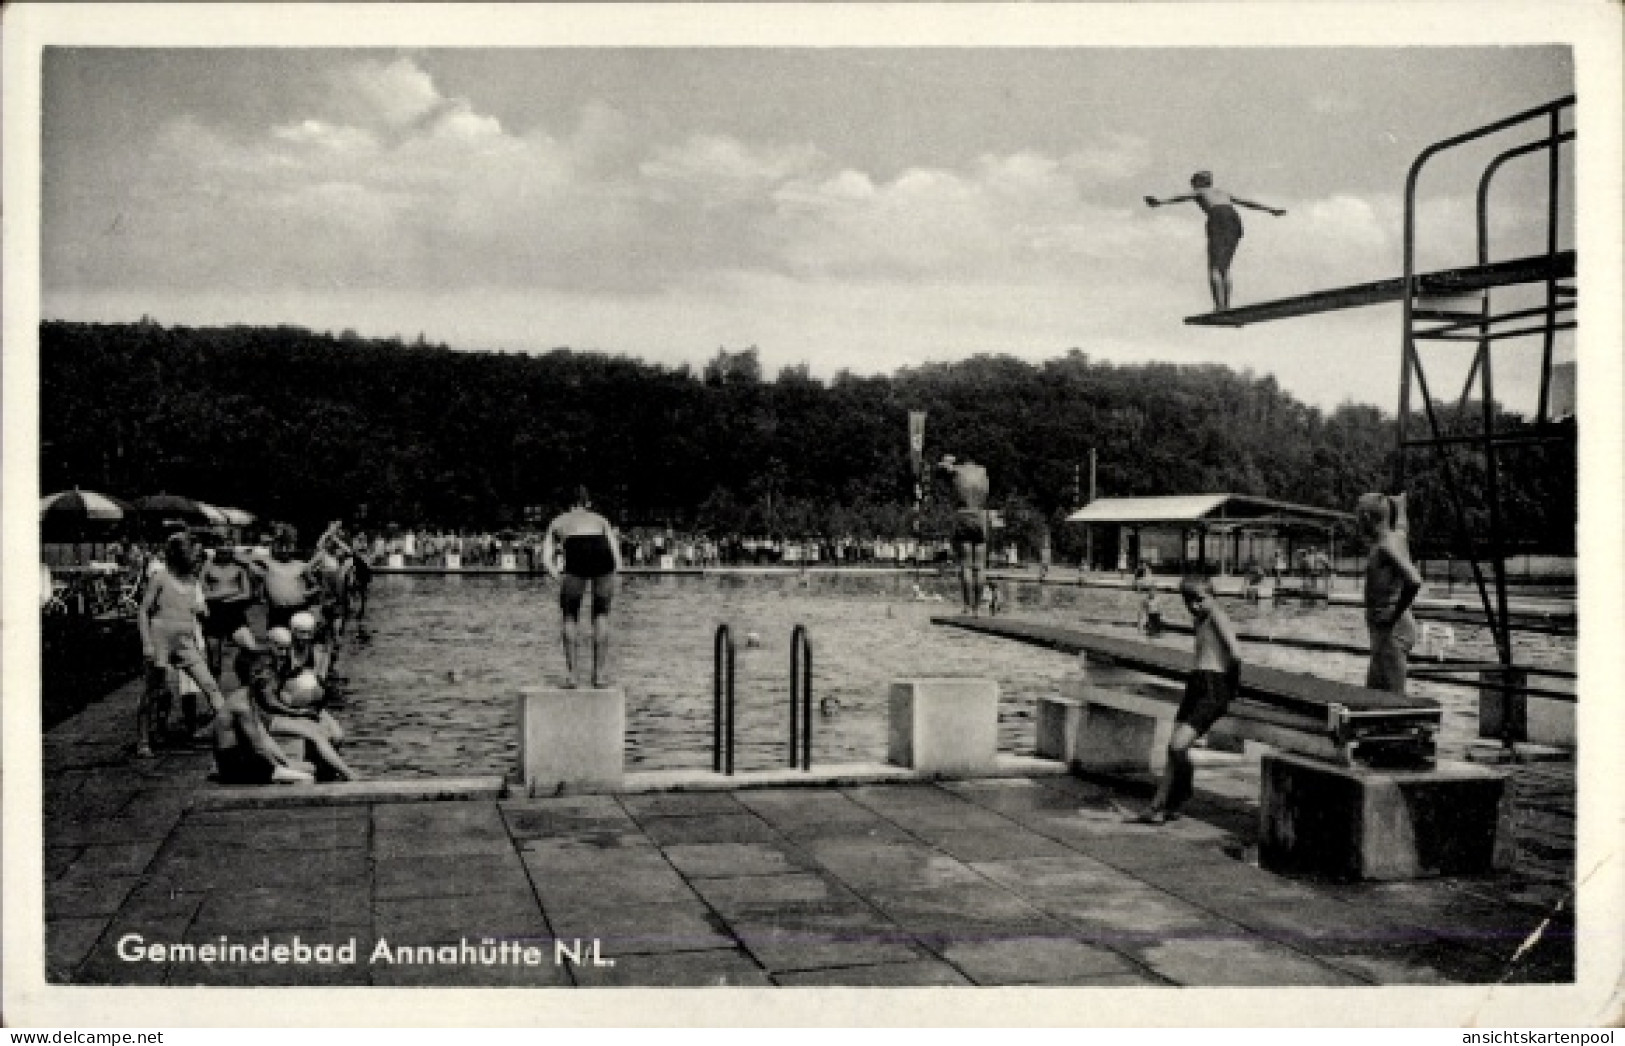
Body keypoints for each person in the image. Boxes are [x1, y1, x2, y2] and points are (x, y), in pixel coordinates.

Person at [1137, 576, 1243, 825]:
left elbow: (1236, 653)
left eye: (1199, 600)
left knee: (1177, 746)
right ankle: (1159, 806)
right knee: (1172, 750)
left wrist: (1232, 687)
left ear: (1212, 595)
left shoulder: (1217, 614)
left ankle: (1182, 791)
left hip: (1213, 688)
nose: (1194, 606)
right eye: (1188, 601)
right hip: (1196, 683)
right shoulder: (1200, 618)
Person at [136, 532, 228, 758]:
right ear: (178, 554)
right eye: (194, 554)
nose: (198, 559)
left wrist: (201, 612)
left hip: (185, 642)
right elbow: (143, 610)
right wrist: (147, 643)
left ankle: (231, 734)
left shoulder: (192, 580)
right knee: (153, 691)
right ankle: (143, 740)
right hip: (161, 640)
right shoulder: (160, 577)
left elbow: (197, 608)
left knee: (211, 686)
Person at [1146, 171, 1286, 311]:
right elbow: (1247, 202)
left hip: (1218, 218)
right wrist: (1271, 210)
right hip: (1234, 220)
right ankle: (1227, 305)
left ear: (1199, 182)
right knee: (1224, 267)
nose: (1193, 187)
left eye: (1193, 183)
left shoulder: (1200, 191)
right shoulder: (1223, 192)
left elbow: (1181, 197)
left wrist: (1161, 201)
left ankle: (1220, 306)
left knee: (1214, 267)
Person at [541, 487, 624, 688]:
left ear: (568, 505)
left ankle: (572, 676)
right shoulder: (601, 519)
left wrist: (558, 577)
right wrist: (611, 576)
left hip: (575, 550)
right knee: (601, 615)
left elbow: (545, 559)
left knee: (570, 616)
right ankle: (599, 676)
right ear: (587, 503)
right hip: (601, 549)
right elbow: (617, 558)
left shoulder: (558, 521)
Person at [213, 650, 314, 785]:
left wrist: (285, 761)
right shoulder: (242, 704)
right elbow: (258, 746)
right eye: (267, 670)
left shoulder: (249, 696)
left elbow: (263, 736)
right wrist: (278, 768)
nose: (271, 674)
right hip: (234, 766)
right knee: (307, 778)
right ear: (254, 674)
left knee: (310, 768)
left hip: (245, 757)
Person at [1358, 492, 1423, 694]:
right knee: (1373, 696)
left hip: (1392, 630)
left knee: (1391, 702)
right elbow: (1403, 525)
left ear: (1367, 517)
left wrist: (1395, 612)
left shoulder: (1385, 546)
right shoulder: (1397, 537)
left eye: (1358, 516)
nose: (1357, 522)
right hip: (1389, 630)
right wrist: (1400, 504)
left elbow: (1414, 580)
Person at [252, 522, 339, 631]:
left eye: (288, 546)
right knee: (280, 641)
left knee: (301, 640)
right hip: (277, 613)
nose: (284, 550)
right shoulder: (266, 563)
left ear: (294, 547)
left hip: (299, 610)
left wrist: (308, 593)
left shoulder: (301, 565)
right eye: (280, 545)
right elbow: (244, 557)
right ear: (272, 545)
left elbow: (317, 586)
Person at [937, 455, 990, 616]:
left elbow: (940, 467)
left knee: (966, 565)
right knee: (980, 566)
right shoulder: (983, 471)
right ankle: (977, 608)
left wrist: (949, 461)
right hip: (980, 516)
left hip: (963, 515)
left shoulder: (957, 471)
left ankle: (967, 607)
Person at [200, 542, 258, 677]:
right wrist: (233, 591)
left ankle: (247, 682)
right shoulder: (208, 566)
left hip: (234, 612)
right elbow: (204, 594)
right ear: (216, 552)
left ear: (232, 553)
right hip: (214, 612)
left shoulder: (239, 568)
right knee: (214, 659)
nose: (223, 556)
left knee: (250, 647)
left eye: (227, 553)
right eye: (220, 553)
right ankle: (215, 692)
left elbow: (247, 593)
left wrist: (222, 597)